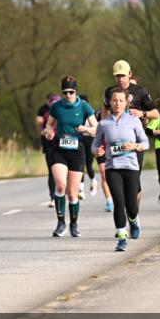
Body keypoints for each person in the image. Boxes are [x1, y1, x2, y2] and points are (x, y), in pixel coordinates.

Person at [93, 88, 150, 252]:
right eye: (114, 100)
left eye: (120, 100)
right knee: (119, 203)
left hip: (131, 168)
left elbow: (145, 142)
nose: (117, 103)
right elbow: (95, 144)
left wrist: (135, 146)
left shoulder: (133, 121)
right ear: (110, 103)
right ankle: (121, 238)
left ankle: (133, 220)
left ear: (126, 103)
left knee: (131, 206)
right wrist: (97, 151)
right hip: (113, 169)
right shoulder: (104, 124)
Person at [42, 76, 98, 238]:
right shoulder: (56, 107)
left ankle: (74, 224)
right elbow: (49, 124)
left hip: (77, 150)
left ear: (76, 91)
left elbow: (97, 127)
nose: (68, 95)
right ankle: (61, 223)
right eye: (65, 92)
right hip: (59, 149)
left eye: (71, 92)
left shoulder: (84, 106)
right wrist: (48, 133)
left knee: (72, 192)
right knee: (60, 185)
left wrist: (85, 129)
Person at [101, 60, 159, 206]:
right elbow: (104, 114)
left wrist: (141, 113)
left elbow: (156, 113)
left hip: (135, 143)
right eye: (117, 76)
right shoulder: (110, 91)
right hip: (115, 143)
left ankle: (134, 212)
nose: (120, 79)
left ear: (130, 75)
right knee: (117, 180)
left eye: (123, 75)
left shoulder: (140, 91)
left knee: (134, 183)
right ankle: (122, 208)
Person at [36, 94, 60, 208]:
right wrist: (46, 132)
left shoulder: (65, 113)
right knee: (51, 172)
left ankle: (63, 192)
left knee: (62, 172)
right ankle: (53, 197)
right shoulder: (46, 115)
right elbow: (42, 130)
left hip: (62, 145)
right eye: (52, 103)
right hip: (49, 146)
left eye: (57, 102)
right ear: (49, 104)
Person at [78, 94, 98, 200]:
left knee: (88, 165)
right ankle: (81, 190)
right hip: (80, 140)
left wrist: (86, 129)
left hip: (90, 139)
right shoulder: (77, 113)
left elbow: (96, 128)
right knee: (81, 164)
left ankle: (93, 180)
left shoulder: (91, 113)